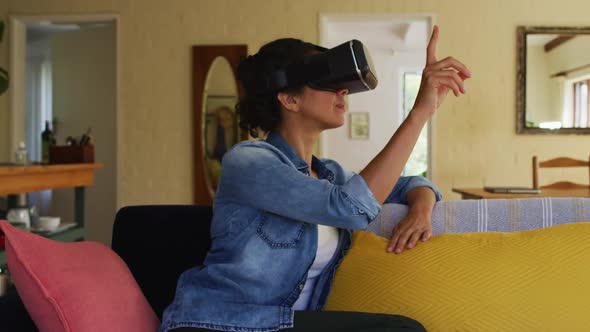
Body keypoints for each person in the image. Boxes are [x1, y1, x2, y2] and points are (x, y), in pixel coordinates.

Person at [159, 25, 471, 332]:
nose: (343, 90)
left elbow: (409, 184)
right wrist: (419, 112)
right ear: (289, 100)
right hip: (221, 323)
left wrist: (420, 211)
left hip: (275, 325)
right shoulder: (249, 161)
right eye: (326, 81)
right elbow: (353, 208)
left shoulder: (329, 175)